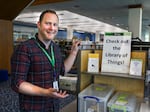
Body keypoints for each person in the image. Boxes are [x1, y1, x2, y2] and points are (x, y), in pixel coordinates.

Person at [11, 10, 80, 112]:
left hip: (53, 104)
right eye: (48, 23)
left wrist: (74, 53)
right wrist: (45, 92)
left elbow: (62, 70)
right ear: (39, 25)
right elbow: (18, 83)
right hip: (34, 106)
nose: (52, 28)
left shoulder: (55, 48)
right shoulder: (25, 48)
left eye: (55, 24)